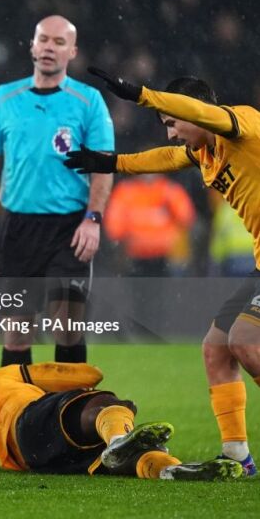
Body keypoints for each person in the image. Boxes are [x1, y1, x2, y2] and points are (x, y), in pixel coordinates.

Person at [65, 69, 260, 477]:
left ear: (195, 110)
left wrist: (142, 95)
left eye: (172, 123)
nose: (171, 134)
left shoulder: (240, 123)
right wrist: (112, 162)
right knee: (216, 348)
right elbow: (166, 158)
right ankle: (237, 457)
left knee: (245, 340)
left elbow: (203, 115)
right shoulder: (204, 152)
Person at [0, 15, 114, 367]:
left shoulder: (88, 101)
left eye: (59, 42)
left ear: (72, 52)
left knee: (67, 326)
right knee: (16, 332)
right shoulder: (5, 97)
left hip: (70, 228)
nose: (49, 48)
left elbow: (103, 166)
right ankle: (18, 401)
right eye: (43, 40)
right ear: (32, 45)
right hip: (19, 228)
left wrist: (93, 219)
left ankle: (68, 402)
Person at [0, 361, 243, 480]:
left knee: (130, 458)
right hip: (27, 422)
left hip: (37, 460)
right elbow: (89, 375)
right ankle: (119, 439)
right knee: (104, 403)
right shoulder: (2, 377)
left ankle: (168, 469)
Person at [105, 175, 195, 277]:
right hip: (134, 258)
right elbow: (114, 228)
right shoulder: (125, 191)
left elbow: (186, 218)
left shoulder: (169, 190)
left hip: (166, 258)